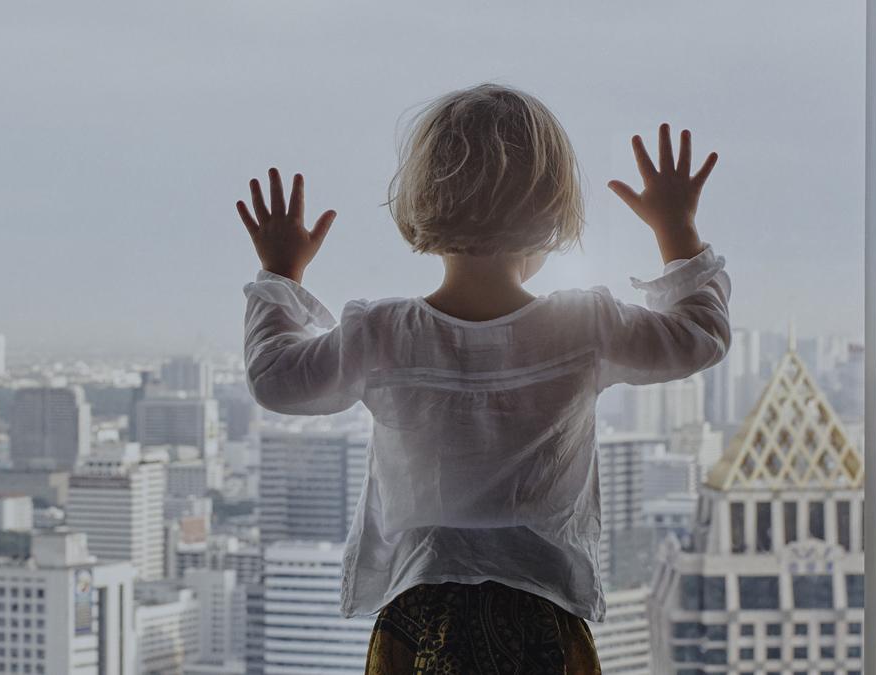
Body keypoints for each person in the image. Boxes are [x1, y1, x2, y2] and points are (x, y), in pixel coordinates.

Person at [233, 83, 729, 674]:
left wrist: (280, 274)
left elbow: (275, 378)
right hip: (540, 613)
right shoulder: (581, 327)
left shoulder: (384, 331)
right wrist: (677, 229)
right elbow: (700, 337)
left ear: (424, 199)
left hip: (420, 617)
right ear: (550, 214)